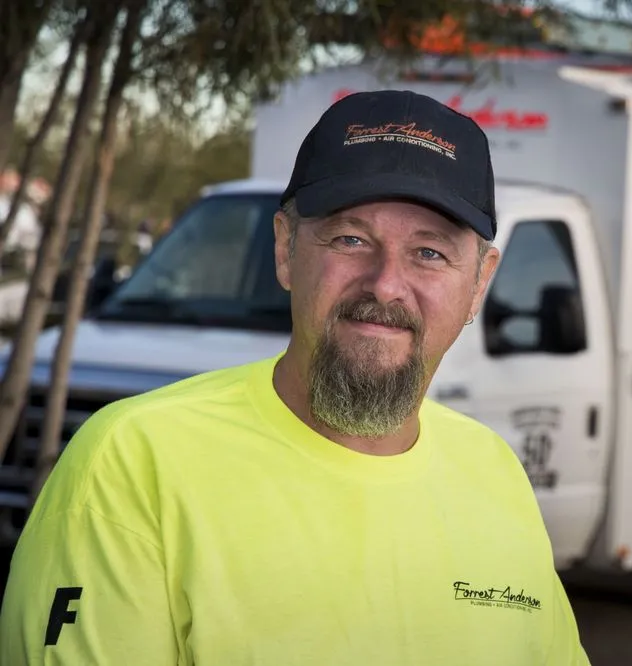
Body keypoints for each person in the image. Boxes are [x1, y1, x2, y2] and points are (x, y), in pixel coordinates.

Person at [0, 90, 590, 665]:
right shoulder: (133, 464)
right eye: (351, 239)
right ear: (286, 249)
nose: (385, 283)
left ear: (479, 283)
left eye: (430, 253)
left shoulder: (496, 474)